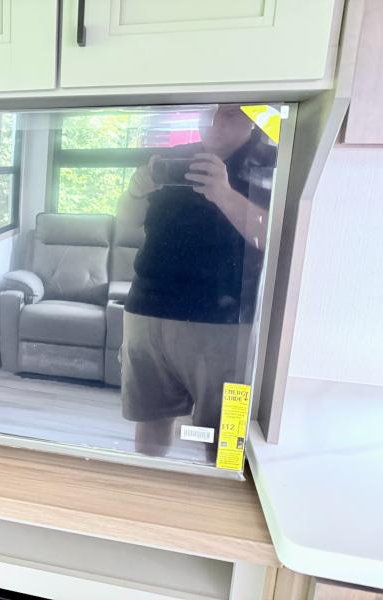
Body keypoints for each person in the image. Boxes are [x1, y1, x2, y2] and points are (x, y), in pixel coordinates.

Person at [118, 104, 277, 459]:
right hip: (147, 309)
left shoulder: (273, 162)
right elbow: (125, 223)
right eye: (208, 112)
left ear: (253, 120)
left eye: (230, 114)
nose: (215, 122)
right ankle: (147, 487)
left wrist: (224, 193)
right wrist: (134, 192)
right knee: (150, 419)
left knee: (225, 437)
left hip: (225, 321)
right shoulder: (171, 158)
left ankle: (221, 491)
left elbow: (274, 238)